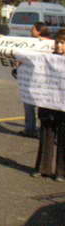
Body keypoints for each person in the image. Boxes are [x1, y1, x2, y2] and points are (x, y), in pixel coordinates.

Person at [32, 29, 65, 181]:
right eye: (57, 42)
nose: (59, 46)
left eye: (63, 43)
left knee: (63, 139)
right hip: (47, 105)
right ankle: (42, 168)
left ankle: (61, 172)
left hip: (63, 107)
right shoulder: (47, 59)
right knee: (46, 135)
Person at [19, 22, 53, 138]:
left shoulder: (50, 44)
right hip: (31, 79)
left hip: (44, 82)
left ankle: (45, 131)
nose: (30, 31)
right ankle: (31, 129)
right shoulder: (31, 43)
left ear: (39, 31)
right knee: (29, 105)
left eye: (32, 29)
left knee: (41, 108)